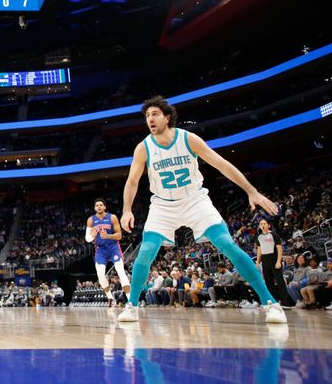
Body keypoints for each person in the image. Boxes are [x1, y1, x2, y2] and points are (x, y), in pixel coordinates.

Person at [118, 96, 286, 324]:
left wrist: (251, 190)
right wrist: (127, 209)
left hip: (195, 199)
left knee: (227, 244)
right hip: (162, 204)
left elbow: (222, 164)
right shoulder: (144, 147)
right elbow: (132, 181)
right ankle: (132, 306)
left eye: (155, 114)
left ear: (167, 117)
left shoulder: (188, 139)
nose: (150, 119)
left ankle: (271, 303)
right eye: (147, 116)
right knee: (146, 250)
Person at [85, 198, 130, 306]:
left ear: (105, 207)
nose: (99, 207)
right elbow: (87, 239)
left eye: (101, 205)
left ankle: (130, 299)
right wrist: (93, 235)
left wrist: (108, 235)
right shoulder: (91, 220)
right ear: (94, 208)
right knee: (100, 275)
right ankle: (110, 298)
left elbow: (119, 235)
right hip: (100, 250)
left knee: (120, 272)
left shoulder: (112, 217)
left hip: (113, 247)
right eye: (97, 205)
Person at [256, 219, 292, 307]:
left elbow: (279, 248)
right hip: (265, 260)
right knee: (268, 283)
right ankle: (275, 301)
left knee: (280, 282)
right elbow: (259, 250)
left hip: (274, 259)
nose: (263, 225)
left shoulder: (274, 234)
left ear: (268, 225)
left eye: (264, 223)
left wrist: (278, 261)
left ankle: (286, 303)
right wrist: (257, 260)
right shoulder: (259, 237)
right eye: (261, 224)